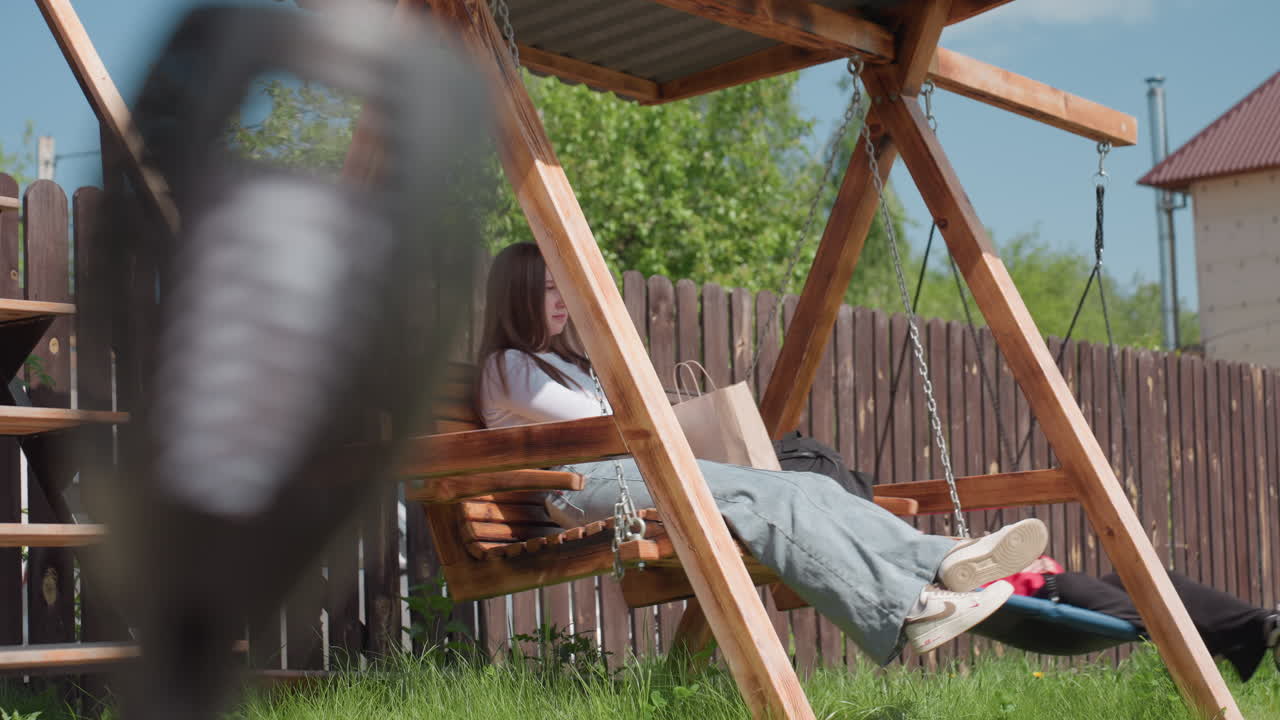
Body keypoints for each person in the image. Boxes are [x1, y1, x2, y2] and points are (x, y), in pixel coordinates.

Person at [475, 242, 1053, 663]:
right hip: (583, 488)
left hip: (632, 472)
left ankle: (941, 561)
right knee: (759, 493)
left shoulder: (569, 363)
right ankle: (906, 609)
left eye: (561, 286)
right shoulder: (508, 366)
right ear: (517, 295)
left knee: (805, 484)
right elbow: (605, 426)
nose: (561, 299)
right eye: (547, 287)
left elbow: (629, 425)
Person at [996, 556, 1280, 681]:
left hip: (1057, 584)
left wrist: (1033, 563)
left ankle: (1266, 623)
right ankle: (1217, 638)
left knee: (1154, 577)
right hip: (1035, 601)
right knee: (1157, 611)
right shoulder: (955, 558)